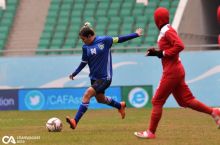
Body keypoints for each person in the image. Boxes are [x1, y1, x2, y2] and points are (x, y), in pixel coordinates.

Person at [134, 7, 220, 139]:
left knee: (157, 101)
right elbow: (170, 49)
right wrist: (156, 53)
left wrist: (160, 53)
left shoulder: (166, 30)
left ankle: (151, 132)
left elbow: (180, 45)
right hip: (176, 69)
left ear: (157, 19)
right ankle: (214, 112)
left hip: (172, 71)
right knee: (186, 101)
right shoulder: (167, 29)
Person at [66, 22, 143, 129]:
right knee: (100, 99)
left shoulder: (105, 40)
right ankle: (119, 105)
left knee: (87, 94)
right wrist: (75, 72)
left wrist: (135, 34)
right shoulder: (85, 47)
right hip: (94, 78)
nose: (82, 41)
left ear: (89, 36)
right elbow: (84, 62)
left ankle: (75, 121)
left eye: (83, 39)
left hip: (105, 77)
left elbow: (120, 39)